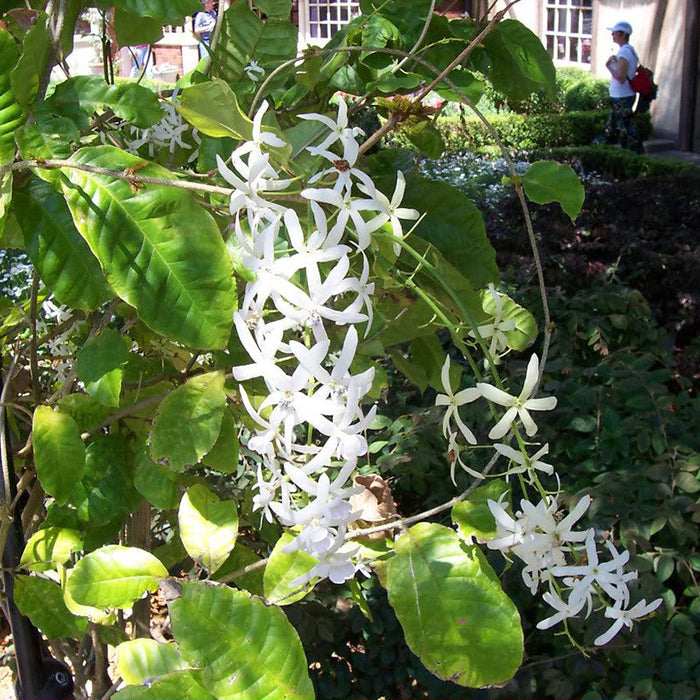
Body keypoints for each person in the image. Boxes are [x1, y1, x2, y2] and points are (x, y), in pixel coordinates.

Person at [599, 21, 644, 153]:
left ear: (622, 35)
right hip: (621, 95)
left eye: (615, 33)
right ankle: (606, 152)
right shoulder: (626, 51)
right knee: (614, 127)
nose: (612, 35)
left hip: (622, 96)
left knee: (626, 128)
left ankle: (636, 154)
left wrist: (609, 66)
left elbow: (621, 77)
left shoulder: (624, 52)